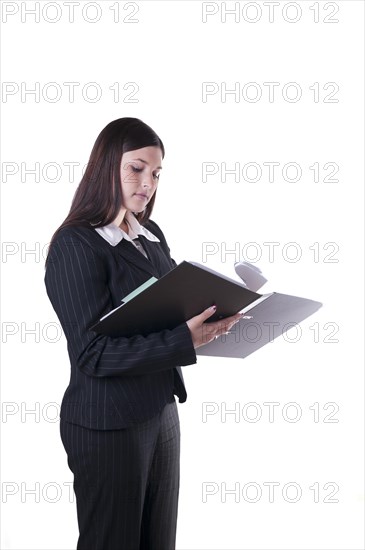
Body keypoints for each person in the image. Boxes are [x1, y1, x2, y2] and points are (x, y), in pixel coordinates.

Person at [44, 117, 242, 550]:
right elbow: (92, 353)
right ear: (105, 167)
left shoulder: (150, 235)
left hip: (160, 410)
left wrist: (214, 322)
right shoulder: (75, 246)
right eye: (136, 168)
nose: (147, 182)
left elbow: (167, 313)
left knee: (159, 542)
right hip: (106, 422)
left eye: (155, 173)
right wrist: (183, 341)